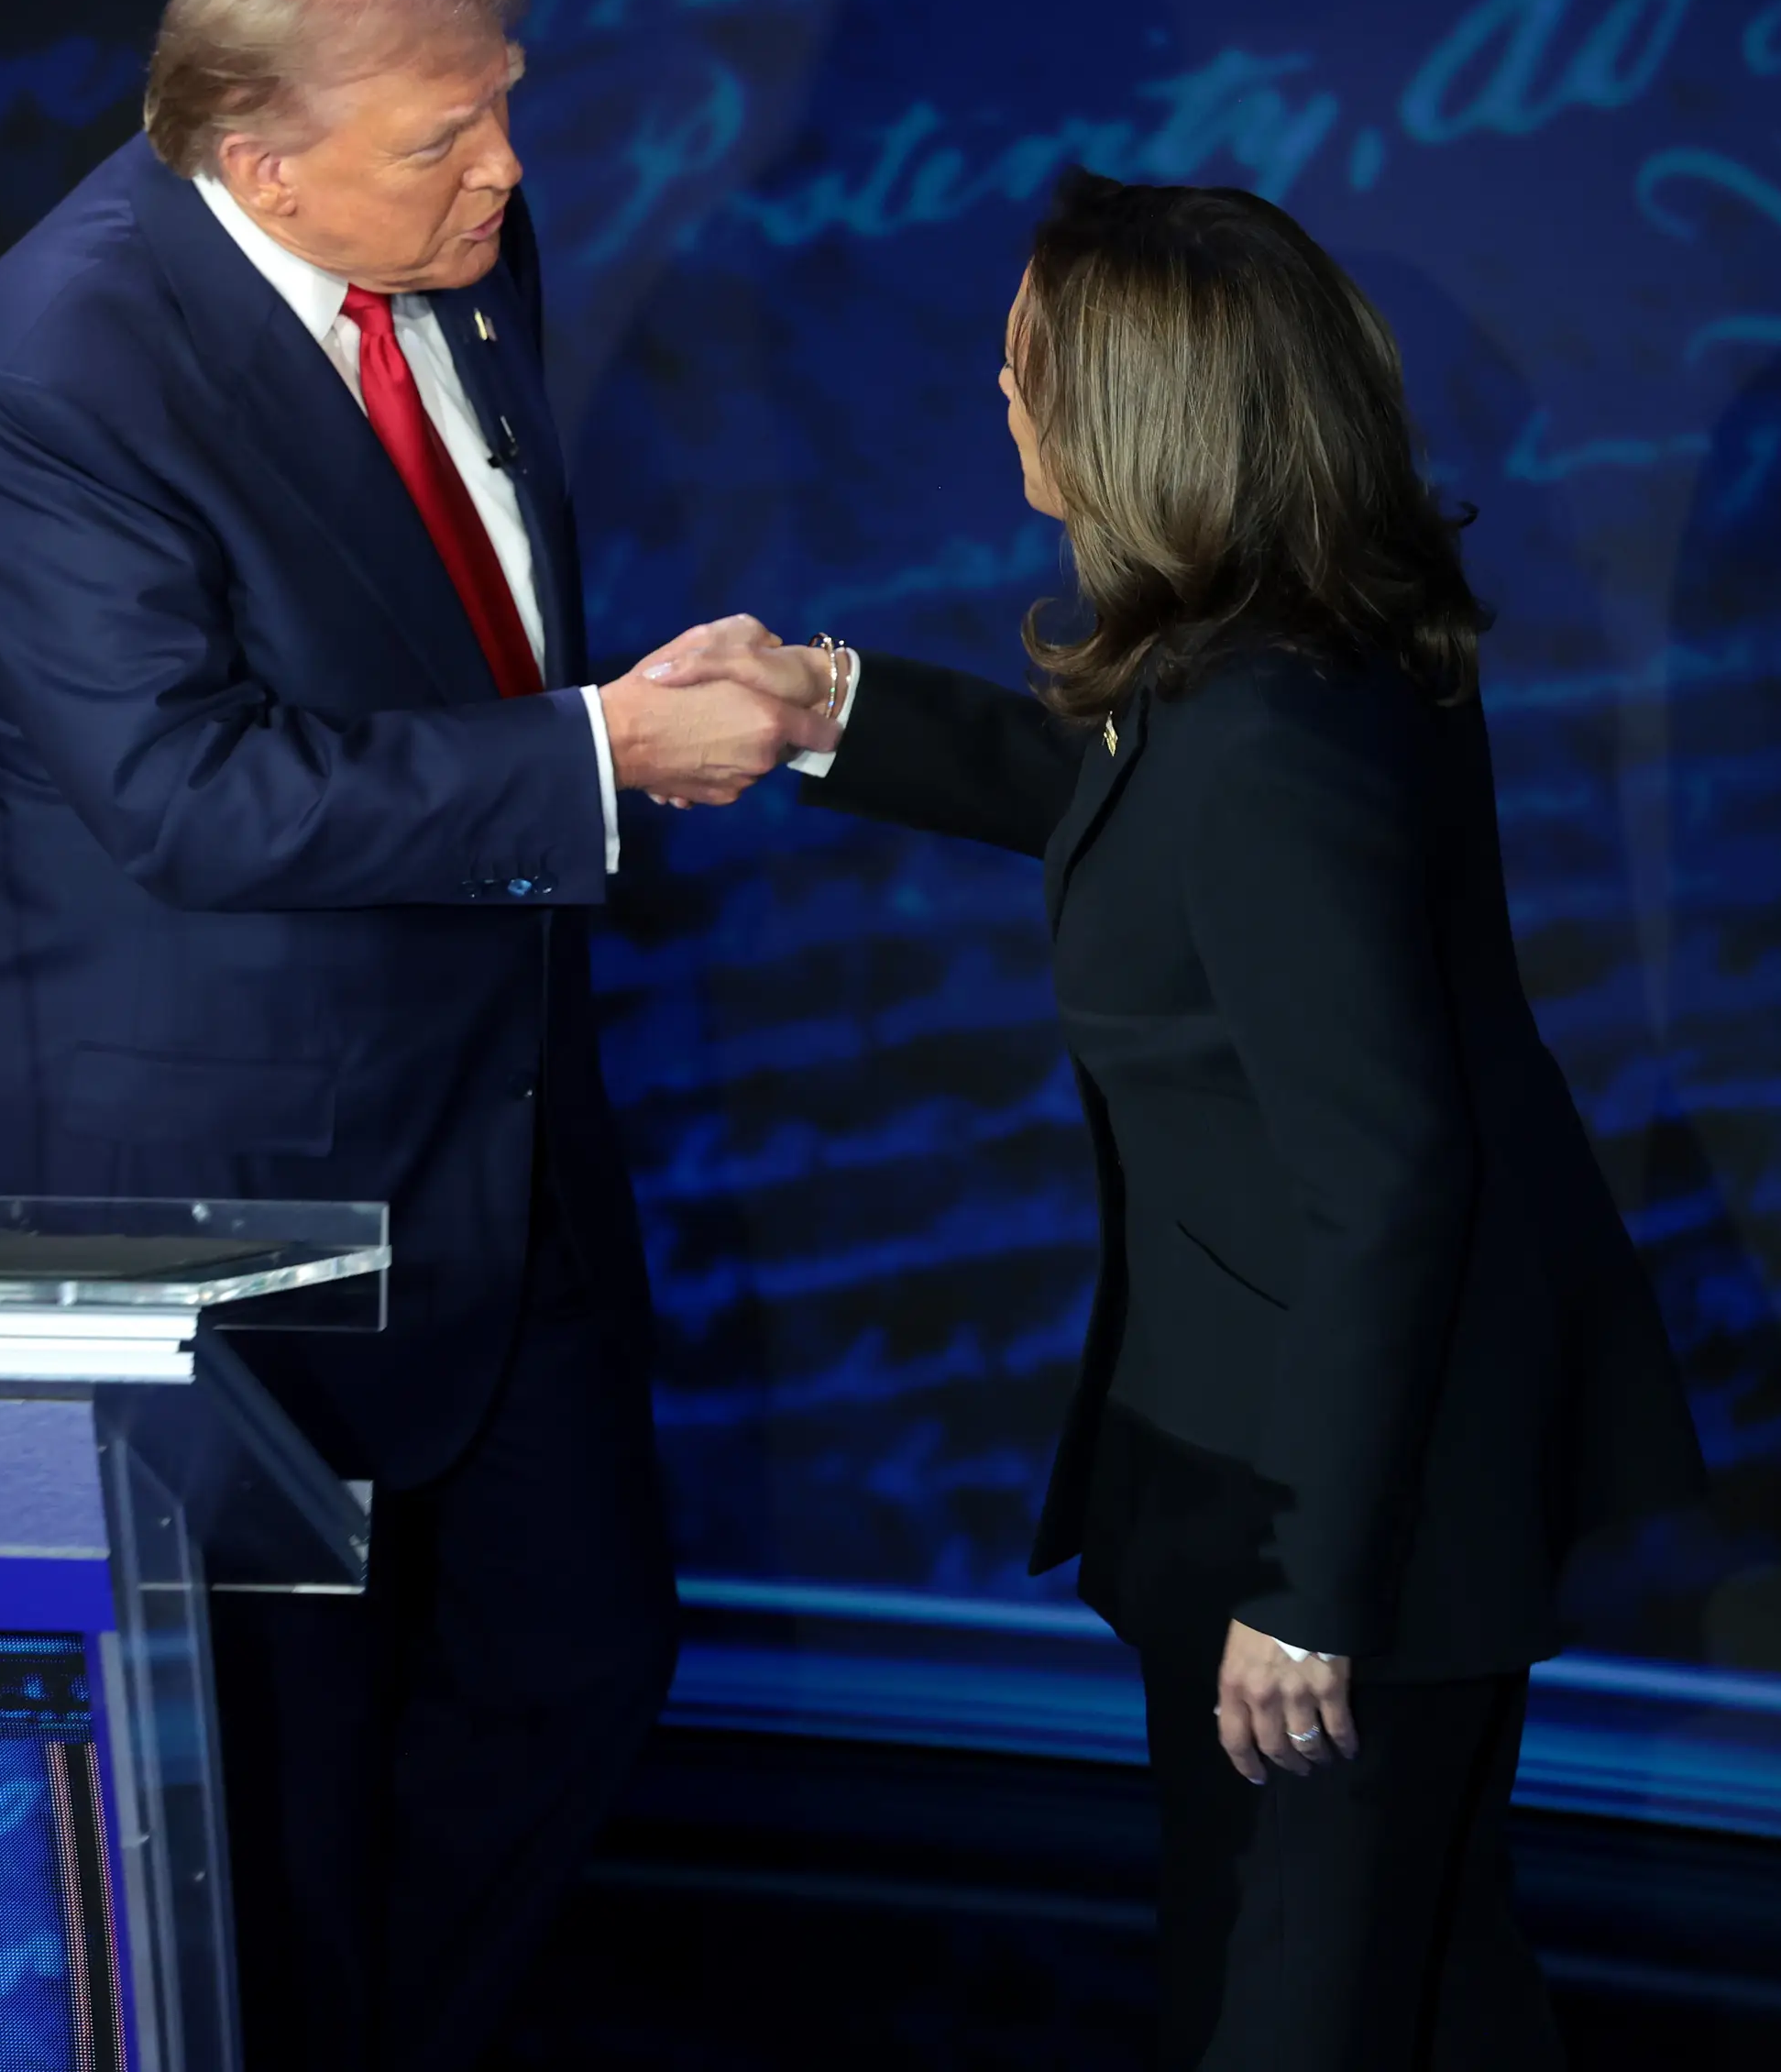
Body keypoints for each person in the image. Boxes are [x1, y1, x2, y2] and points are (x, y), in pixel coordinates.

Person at [0, 0, 836, 2071]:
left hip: (492, 1141)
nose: (507, 169)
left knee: (579, 1657)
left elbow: (435, 635)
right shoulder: (60, 362)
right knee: (277, 1795)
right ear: (256, 152)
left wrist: (602, 707)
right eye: (448, 135)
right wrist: (590, 756)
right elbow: (187, 795)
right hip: (207, 1192)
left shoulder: (457, 251)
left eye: (503, 108)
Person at [651, 173, 1705, 2069]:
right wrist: (834, 705)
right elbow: (1127, 794)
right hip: (1290, 1467)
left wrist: (1314, 1592)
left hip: (1338, 1515)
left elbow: (1392, 1185)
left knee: (1308, 2007)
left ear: (1136, 414)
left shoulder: (1273, 741)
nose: (996, 382)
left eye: (1027, 355)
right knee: (1429, 1987)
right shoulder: (1274, 652)